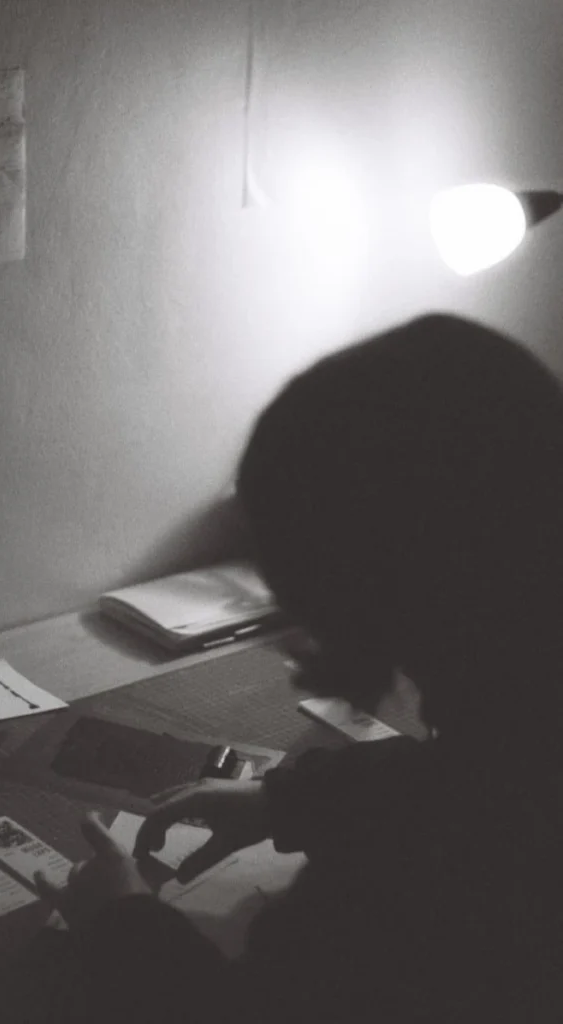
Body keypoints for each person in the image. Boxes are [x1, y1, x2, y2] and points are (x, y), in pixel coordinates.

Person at [36, 314, 563, 1023]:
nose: (299, 637)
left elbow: (241, 1009)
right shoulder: (522, 671)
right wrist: (292, 803)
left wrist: (118, 921)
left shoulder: (436, 889)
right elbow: (480, 779)